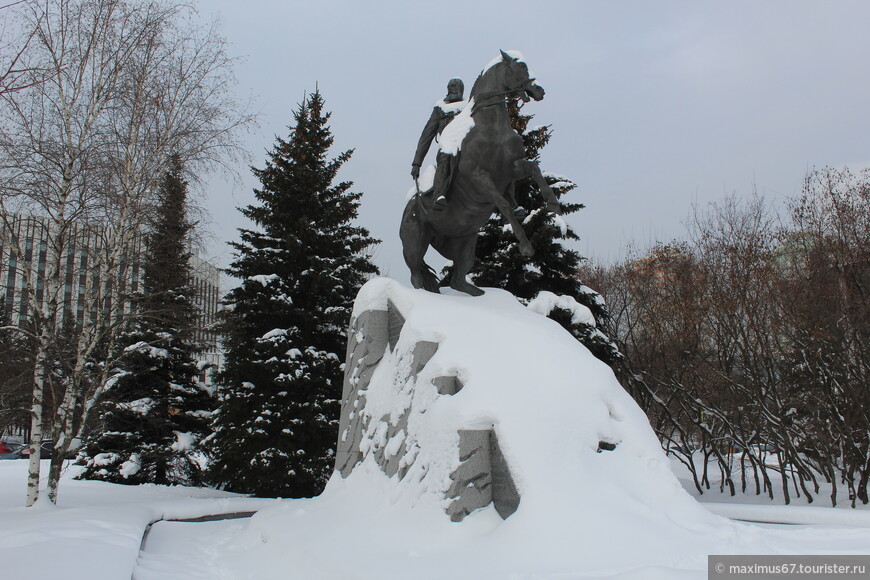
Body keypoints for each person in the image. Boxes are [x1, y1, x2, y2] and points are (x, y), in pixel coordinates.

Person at [411, 78, 465, 210]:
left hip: (468, 146)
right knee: (444, 159)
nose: (451, 88)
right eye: (450, 86)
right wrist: (417, 163)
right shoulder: (440, 110)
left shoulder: (468, 107)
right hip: (449, 146)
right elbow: (426, 136)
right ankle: (439, 195)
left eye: (454, 86)